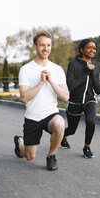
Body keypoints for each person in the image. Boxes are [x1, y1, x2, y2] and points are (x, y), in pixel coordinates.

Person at [13, 30, 69, 171]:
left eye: (49, 45)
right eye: (42, 45)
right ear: (35, 46)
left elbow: (66, 96)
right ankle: (20, 142)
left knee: (60, 123)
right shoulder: (26, 69)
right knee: (29, 156)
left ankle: (51, 156)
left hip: (50, 114)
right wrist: (41, 83)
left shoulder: (57, 69)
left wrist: (51, 82)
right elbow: (24, 97)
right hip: (33, 116)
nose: (46, 48)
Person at [61, 38, 100, 158]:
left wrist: (92, 73)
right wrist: (86, 72)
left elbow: (98, 91)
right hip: (75, 101)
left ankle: (87, 146)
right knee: (72, 130)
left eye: (94, 48)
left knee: (91, 121)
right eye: (89, 47)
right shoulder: (73, 64)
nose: (92, 50)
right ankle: (62, 136)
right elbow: (71, 85)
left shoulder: (96, 68)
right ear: (81, 49)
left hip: (90, 100)